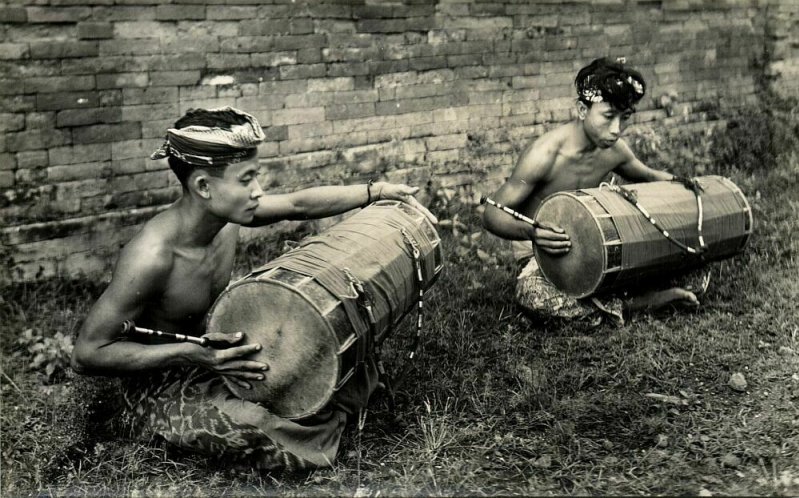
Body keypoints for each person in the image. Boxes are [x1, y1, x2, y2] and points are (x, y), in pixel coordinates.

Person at [70, 106, 437, 470]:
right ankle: (310, 422)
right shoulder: (151, 257)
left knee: (331, 355)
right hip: (158, 380)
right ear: (203, 186)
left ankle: (315, 416)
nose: (258, 191)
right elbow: (87, 353)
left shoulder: (225, 218)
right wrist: (189, 354)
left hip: (217, 355)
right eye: (246, 179)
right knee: (250, 425)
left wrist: (377, 190)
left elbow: (297, 204)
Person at [482, 58, 707, 327]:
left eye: (624, 118)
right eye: (608, 117)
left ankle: (611, 298)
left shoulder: (614, 150)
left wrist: (683, 183)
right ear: (581, 109)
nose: (616, 130)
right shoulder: (544, 155)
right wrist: (533, 233)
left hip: (595, 245)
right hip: (542, 254)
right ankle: (636, 304)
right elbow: (492, 212)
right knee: (533, 295)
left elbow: (648, 176)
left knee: (695, 267)